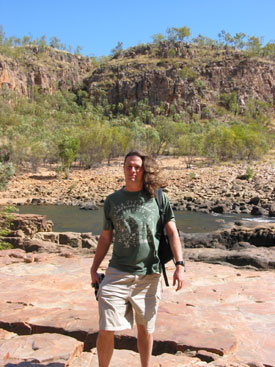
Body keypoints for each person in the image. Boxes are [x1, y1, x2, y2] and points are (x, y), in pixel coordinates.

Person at [90, 150, 184, 367]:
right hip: (117, 274)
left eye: (137, 167)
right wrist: (94, 268)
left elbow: (172, 232)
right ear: (123, 168)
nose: (132, 170)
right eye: (128, 166)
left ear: (144, 170)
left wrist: (179, 265)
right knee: (106, 328)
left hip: (149, 276)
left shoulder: (158, 197)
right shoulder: (112, 201)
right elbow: (105, 238)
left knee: (145, 329)